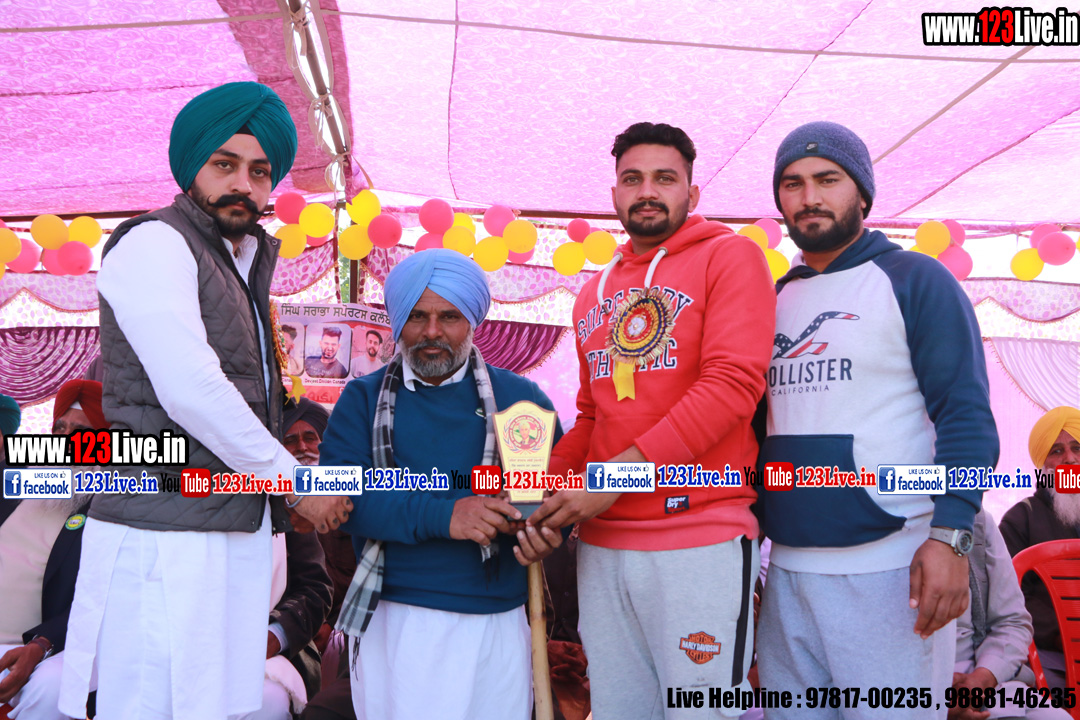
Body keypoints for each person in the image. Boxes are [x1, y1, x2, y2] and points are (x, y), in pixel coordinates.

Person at [58, 82, 350, 720]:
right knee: (152, 707)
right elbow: (191, 389)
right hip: (164, 538)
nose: (243, 183)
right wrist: (296, 484)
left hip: (228, 533)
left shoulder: (240, 264)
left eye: (260, 171)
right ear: (192, 166)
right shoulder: (155, 243)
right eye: (224, 164)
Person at [532, 122, 776, 719]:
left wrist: (611, 479)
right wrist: (538, 500)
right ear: (614, 193)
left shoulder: (731, 256)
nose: (647, 191)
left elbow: (731, 387)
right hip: (602, 546)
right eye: (632, 178)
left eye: (665, 178)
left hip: (700, 538)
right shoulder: (592, 294)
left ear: (692, 193)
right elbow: (593, 416)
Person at [755, 121, 998, 719]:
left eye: (827, 180)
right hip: (786, 571)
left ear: (862, 193)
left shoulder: (916, 280)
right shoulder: (772, 298)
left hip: (893, 570)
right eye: (793, 183)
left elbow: (966, 417)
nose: (809, 196)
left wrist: (952, 538)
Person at [319, 249, 565, 720]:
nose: (432, 331)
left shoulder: (521, 399)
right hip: (396, 618)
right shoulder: (363, 398)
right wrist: (445, 515)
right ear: (398, 321)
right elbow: (341, 497)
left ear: (472, 320)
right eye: (417, 316)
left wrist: (547, 529)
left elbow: (553, 493)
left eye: (449, 316)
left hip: (496, 620)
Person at [0, 381, 104, 718]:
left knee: (54, 688)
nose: (65, 439)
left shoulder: (108, 511)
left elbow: (101, 600)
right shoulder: (13, 480)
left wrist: (41, 644)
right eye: (60, 428)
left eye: (80, 432)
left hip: (35, 649)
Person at [951, 510, 1070, 720]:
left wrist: (983, 678)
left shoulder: (977, 521)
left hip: (985, 678)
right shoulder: (1025, 517)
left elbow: (1012, 620)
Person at [1000, 406, 1080, 691]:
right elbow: (1010, 601)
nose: (1070, 458)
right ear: (1042, 464)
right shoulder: (1020, 519)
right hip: (1053, 656)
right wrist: (1066, 633)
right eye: (1057, 451)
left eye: (1077, 448)